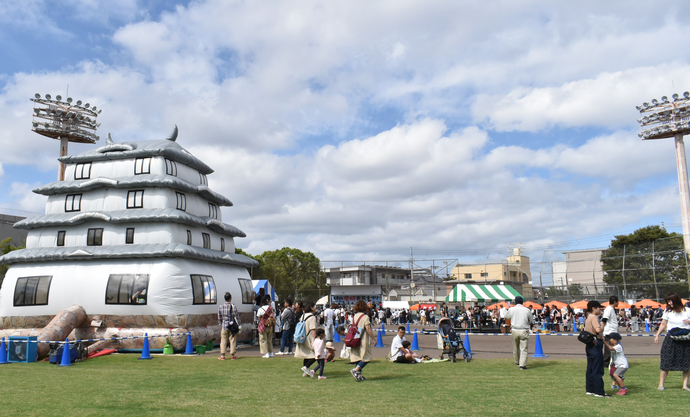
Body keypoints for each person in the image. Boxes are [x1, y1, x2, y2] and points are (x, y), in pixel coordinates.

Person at [654, 292, 690, 391]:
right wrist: (657, 335)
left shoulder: (687, 311)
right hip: (671, 339)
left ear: (676, 300)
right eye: (668, 301)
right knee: (666, 360)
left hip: (685, 339)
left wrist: (689, 322)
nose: (669, 303)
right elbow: (663, 324)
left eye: (671, 301)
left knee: (687, 363)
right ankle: (661, 385)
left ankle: (685, 385)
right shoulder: (668, 311)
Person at [584, 300, 610, 397]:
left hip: (589, 344)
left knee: (590, 367)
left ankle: (590, 389)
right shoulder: (594, 317)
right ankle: (599, 391)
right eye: (599, 308)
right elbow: (597, 330)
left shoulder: (588, 317)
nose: (600, 309)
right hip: (596, 343)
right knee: (598, 368)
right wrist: (602, 326)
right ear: (593, 308)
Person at [504, 296, 534, 370]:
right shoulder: (527, 310)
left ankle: (517, 362)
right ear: (522, 302)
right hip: (524, 330)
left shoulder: (512, 309)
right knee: (523, 348)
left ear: (515, 302)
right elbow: (531, 321)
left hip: (514, 330)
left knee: (515, 347)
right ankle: (522, 365)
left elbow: (506, 316)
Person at [349, 299, 375, 381]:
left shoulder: (354, 316)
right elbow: (368, 328)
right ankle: (355, 370)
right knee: (367, 356)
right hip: (363, 339)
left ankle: (359, 375)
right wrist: (374, 339)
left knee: (358, 357)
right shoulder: (365, 317)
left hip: (355, 338)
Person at [296, 302, 318, 378]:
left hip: (302, 337)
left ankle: (305, 371)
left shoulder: (303, 315)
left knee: (307, 355)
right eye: (314, 307)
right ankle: (306, 367)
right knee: (316, 355)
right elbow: (313, 329)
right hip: (309, 337)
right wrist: (315, 339)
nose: (315, 308)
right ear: (311, 308)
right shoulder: (312, 317)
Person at [217, 292, 240, 360]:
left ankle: (222, 355)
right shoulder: (233, 306)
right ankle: (233, 355)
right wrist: (239, 323)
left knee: (223, 340)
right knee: (232, 340)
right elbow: (236, 316)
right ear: (230, 298)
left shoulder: (220, 307)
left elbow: (219, 317)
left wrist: (220, 324)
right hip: (232, 326)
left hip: (224, 326)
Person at [601, 296, 619, 367]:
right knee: (608, 348)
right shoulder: (609, 309)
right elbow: (604, 319)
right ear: (614, 302)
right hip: (609, 332)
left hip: (613, 331)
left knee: (614, 348)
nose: (618, 303)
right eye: (617, 302)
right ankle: (605, 363)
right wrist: (601, 329)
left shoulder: (612, 309)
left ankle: (613, 362)